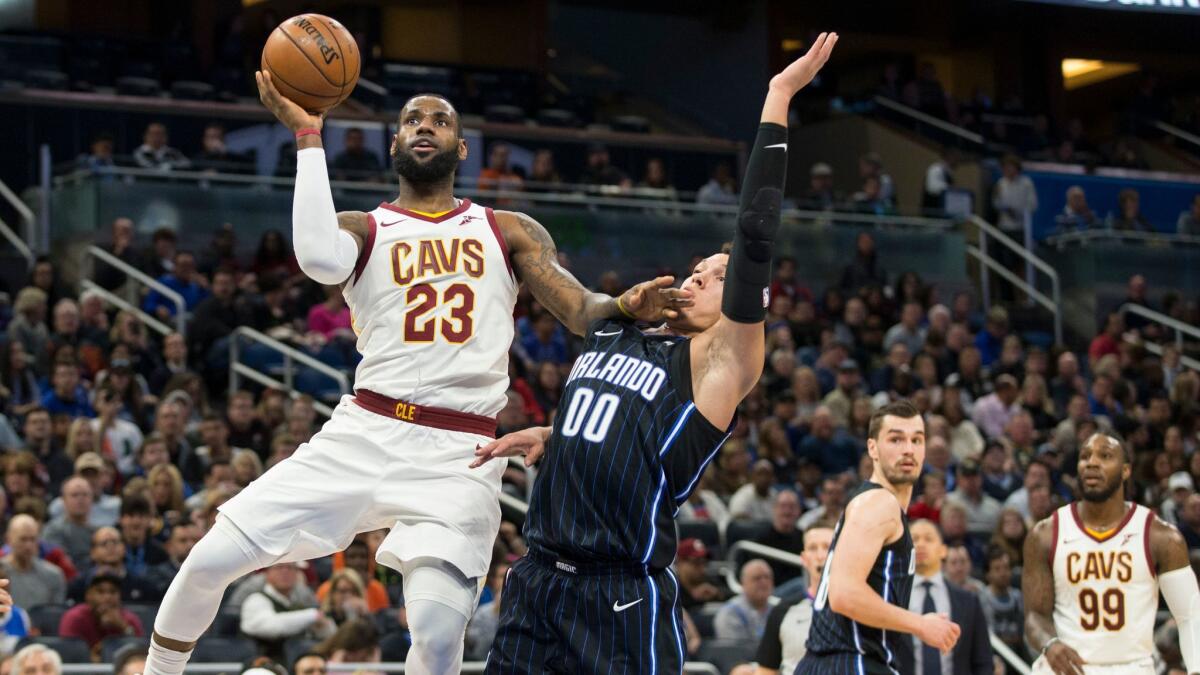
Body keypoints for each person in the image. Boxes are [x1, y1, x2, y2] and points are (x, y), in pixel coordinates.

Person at [144, 66, 684, 675]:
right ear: (394, 143)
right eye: (411, 120)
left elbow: (581, 309)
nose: (425, 127)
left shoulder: (507, 229)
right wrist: (308, 138)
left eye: (440, 120)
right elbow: (318, 259)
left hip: (461, 452)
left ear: (461, 147)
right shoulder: (364, 227)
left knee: (433, 632)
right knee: (208, 560)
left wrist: (622, 305)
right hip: (365, 430)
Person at [473, 35, 838, 673]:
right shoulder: (620, 327)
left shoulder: (720, 363)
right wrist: (559, 434)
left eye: (716, 276)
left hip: (616, 592)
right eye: (697, 268)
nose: (697, 277)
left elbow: (754, 235)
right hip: (535, 579)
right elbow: (620, 418)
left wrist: (778, 97)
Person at [797, 400, 960, 673]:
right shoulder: (879, 504)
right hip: (850, 662)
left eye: (916, 440)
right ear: (872, 447)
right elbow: (844, 594)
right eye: (896, 439)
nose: (908, 449)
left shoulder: (874, 504)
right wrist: (920, 624)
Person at [1023, 433, 1200, 674]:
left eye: (1105, 456)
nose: (1092, 463)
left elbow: (1189, 616)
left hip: (1131, 667)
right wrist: (1049, 643)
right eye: (1085, 456)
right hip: (1066, 669)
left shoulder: (1160, 536)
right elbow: (1035, 615)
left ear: (1126, 470)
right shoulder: (1044, 534)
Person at [899, 519, 992, 674]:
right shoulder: (891, 598)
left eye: (928, 539)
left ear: (943, 550)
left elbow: (983, 661)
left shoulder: (969, 600)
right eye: (914, 539)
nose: (920, 544)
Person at [753, 525, 833, 675]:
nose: (821, 555)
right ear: (804, 559)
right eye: (813, 548)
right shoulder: (783, 611)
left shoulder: (858, 610)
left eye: (827, 547)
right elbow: (765, 670)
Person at [240, 562, 335, 661]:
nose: (285, 572)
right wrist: (311, 616)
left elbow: (328, 633)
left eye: (290, 568)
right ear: (267, 572)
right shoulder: (256, 599)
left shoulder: (301, 601)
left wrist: (323, 625)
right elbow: (270, 627)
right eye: (279, 567)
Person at [58, 574, 145, 653]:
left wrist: (123, 626)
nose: (107, 597)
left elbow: (139, 653)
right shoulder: (74, 618)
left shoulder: (130, 619)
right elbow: (68, 653)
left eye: (113, 592)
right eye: (100, 592)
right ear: (88, 596)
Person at [1, 515, 66, 608]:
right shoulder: (1, 573)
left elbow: (55, 616)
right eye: (23, 539)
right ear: (8, 539)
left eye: (33, 539)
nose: (28, 546)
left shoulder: (54, 576)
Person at [43, 475, 97, 569]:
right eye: (74, 495)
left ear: (92, 499)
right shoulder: (53, 530)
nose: (80, 500)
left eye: (85, 495)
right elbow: (62, 563)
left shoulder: (98, 532)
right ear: (63, 500)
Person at [715, 559, 776, 641]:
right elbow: (733, 651)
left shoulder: (777, 609)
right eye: (757, 578)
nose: (764, 582)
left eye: (767, 577)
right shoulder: (730, 613)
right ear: (743, 583)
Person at [753, 491, 805, 585]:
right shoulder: (761, 538)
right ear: (774, 509)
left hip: (799, 592)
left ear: (799, 511)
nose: (787, 511)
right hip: (771, 591)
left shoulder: (805, 538)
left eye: (792, 507)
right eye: (783, 506)